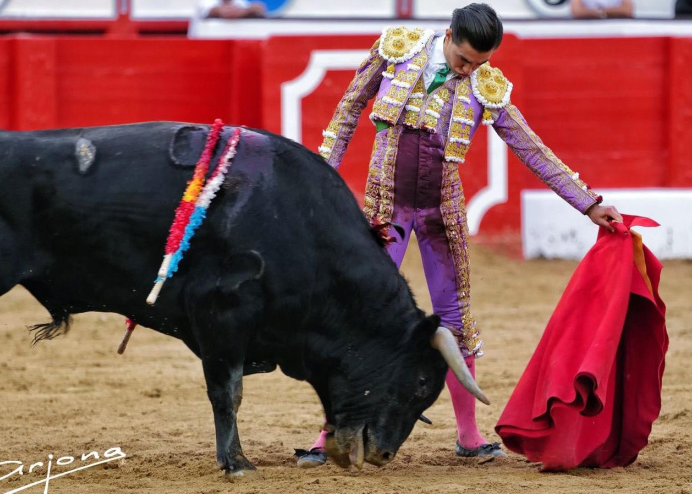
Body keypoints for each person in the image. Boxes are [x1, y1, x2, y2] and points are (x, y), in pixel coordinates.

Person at [294, 3, 622, 468]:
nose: (468, 70)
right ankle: (328, 436)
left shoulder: (486, 85)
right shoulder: (398, 49)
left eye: (479, 63)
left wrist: (588, 203)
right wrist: (320, 177)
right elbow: (346, 111)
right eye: (464, 59)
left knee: (455, 321)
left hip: (440, 215)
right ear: (448, 36)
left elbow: (532, 149)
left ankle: (469, 435)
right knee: (359, 318)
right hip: (384, 210)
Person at [197, 0, 266, 19]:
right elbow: (209, 10)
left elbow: (259, 8)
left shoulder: (239, 2)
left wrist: (245, 11)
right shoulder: (204, 1)